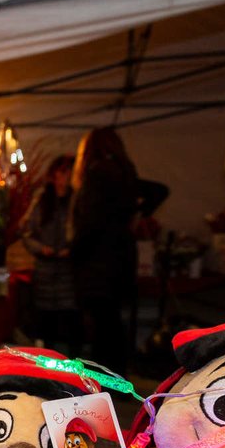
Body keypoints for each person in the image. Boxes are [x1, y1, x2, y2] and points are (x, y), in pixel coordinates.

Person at [68, 127, 139, 374]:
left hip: (98, 262)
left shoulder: (97, 175)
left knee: (101, 326)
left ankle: (104, 381)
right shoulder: (126, 173)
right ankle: (116, 379)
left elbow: (90, 222)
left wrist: (74, 252)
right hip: (120, 259)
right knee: (112, 323)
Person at [20, 155, 79, 356]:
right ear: (54, 175)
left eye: (70, 172)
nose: (67, 177)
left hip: (69, 271)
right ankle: (48, 368)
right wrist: (40, 248)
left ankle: (74, 369)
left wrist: (73, 249)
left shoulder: (77, 201)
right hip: (45, 271)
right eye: (63, 172)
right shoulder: (42, 199)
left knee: (70, 324)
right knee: (46, 325)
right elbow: (26, 231)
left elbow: (84, 232)